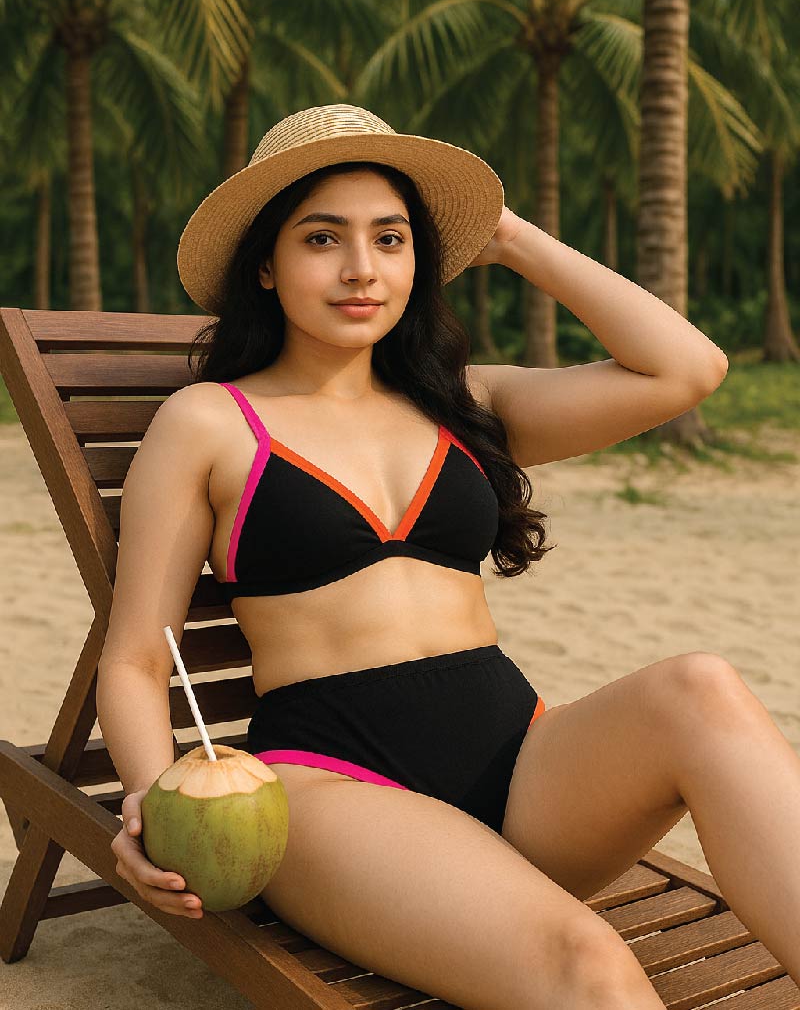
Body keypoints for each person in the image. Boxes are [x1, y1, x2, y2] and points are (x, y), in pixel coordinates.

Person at [100, 103, 779, 1010]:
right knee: (591, 964)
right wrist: (152, 799)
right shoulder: (211, 423)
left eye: (391, 239)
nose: (360, 269)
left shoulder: (464, 402)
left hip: (522, 760)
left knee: (702, 686)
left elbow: (686, 370)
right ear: (265, 264)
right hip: (334, 788)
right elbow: (140, 655)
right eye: (321, 239)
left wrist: (508, 236)